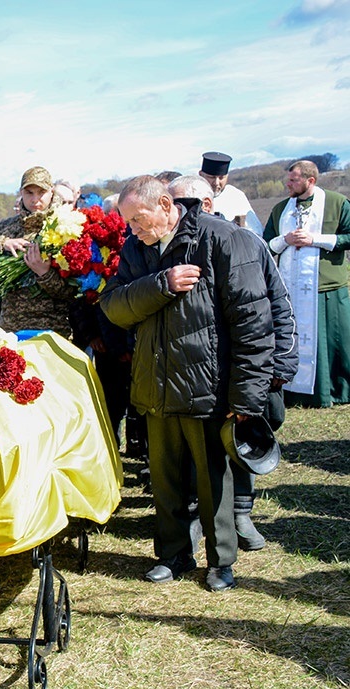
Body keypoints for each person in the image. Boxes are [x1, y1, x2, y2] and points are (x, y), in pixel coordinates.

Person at [101, 175, 274, 592]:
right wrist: (162, 284)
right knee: (165, 481)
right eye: (128, 222)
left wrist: (247, 396)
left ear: (165, 204)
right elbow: (114, 307)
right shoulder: (136, 248)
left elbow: (253, 323)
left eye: (138, 219)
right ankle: (173, 554)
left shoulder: (223, 240)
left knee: (214, 481)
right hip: (156, 387)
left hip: (208, 388)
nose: (133, 229)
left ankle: (221, 561)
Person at [169, 174, 298, 552]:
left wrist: (279, 366)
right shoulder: (174, 249)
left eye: (179, 203)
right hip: (200, 372)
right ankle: (198, 515)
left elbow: (277, 304)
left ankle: (242, 512)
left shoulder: (246, 241)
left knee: (244, 440)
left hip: (248, 367)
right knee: (200, 452)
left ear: (206, 205)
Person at [263, 160, 350, 409]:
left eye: (293, 180)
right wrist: (286, 239)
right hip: (291, 287)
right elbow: (266, 244)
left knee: (334, 341)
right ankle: (294, 391)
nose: (287, 184)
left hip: (326, 287)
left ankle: (335, 389)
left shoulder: (337, 203)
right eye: (288, 179)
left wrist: (316, 239)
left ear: (310, 181)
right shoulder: (281, 209)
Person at [0, 166, 76, 337]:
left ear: (52, 192)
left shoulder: (66, 228)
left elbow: (73, 293)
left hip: (54, 328)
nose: (35, 199)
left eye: (41, 192)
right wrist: (1, 243)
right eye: (29, 193)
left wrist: (44, 273)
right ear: (21, 193)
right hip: (13, 328)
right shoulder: (6, 228)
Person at [198, 152, 262, 233]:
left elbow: (255, 231)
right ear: (201, 175)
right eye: (212, 177)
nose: (216, 182)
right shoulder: (192, 194)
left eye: (221, 178)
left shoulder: (236, 196)